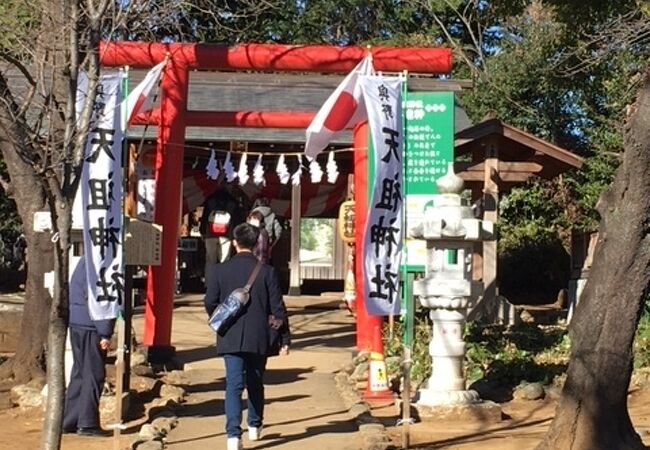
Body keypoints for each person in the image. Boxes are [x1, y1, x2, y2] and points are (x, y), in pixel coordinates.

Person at [204, 223, 289, 450]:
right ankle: (254, 425)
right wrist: (284, 338)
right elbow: (278, 309)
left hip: (229, 335)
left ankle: (233, 435)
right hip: (259, 336)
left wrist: (222, 316)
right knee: (255, 381)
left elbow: (210, 301)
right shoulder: (267, 271)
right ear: (255, 245)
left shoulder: (219, 271)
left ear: (234, 242)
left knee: (233, 384)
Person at [63, 257, 114, 437]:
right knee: (94, 374)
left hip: (76, 322)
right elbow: (102, 300)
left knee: (79, 372)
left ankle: (70, 419)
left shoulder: (84, 261)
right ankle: (87, 423)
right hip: (92, 325)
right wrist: (105, 332)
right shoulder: (102, 264)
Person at [201, 189, 240, 287]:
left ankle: (209, 284)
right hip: (226, 234)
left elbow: (205, 217)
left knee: (210, 260)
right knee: (225, 259)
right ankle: (223, 283)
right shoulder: (232, 202)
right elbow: (236, 219)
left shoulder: (210, 201)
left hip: (210, 234)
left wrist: (202, 232)